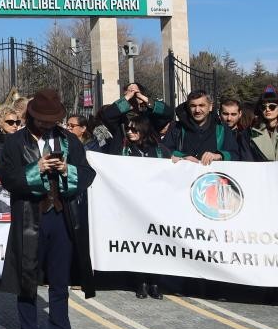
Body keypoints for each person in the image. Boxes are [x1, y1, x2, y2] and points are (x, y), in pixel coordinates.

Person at [0, 88, 95, 329]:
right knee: (27, 280)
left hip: (62, 218)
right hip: (30, 217)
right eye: (42, 119)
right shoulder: (15, 142)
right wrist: (36, 168)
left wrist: (67, 171)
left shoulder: (68, 140)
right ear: (32, 117)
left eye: (52, 119)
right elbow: (7, 177)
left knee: (60, 281)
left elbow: (87, 173)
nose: (47, 124)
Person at [117, 115, 172, 299]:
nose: (130, 132)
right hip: (133, 205)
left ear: (144, 130)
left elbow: (171, 162)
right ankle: (139, 282)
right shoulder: (123, 149)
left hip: (155, 205)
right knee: (138, 244)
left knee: (155, 244)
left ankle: (155, 282)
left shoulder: (157, 150)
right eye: (128, 129)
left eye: (134, 129)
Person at [161, 90, 239, 164]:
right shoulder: (176, 128)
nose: (197, 110)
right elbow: (163, 150)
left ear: (210, 107)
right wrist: (183, 157)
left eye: (201, 105)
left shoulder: (222, 129)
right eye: (193, 106)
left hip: (213, 176)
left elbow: (235, 155)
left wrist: (219, 156)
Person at [101, 83, 173, 152]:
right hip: (124, 154)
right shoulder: (120, 117)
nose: (133, 95)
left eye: (136, 92)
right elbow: (107, 115)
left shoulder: (150, 116)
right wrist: (127, 97)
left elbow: (168, 113)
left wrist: (144, 98)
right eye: (130, 91)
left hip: (149, 155)